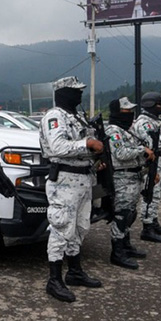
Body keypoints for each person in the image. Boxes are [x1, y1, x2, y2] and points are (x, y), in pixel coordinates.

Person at [39, 76, 104, 303]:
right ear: (63, 93)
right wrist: (86, 144)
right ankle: (54, 280)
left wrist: (95, 158)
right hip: (64, 180)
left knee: (80, 227)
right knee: (61, 228)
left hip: (84, 179)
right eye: (75, 91)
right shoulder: (55, 116)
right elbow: (57, 146)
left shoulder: (77, 117)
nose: (80, 95)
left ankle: (74, 271)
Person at [105, 97, 155, 269]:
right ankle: (117, 252)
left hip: (134, 177)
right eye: (127, 111)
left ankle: (125, 245)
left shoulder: (127, 130)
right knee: (122, 214)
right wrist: (142, 150)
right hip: (122, 179)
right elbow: (121, 153)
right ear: (118, 112)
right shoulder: (113, 131)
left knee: (130, 214)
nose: (130, 114)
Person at [133, 91, 161, 242]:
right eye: (159, 104)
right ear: (149, 105)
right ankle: (147, 227)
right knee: (150, 193)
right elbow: (152, 143)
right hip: (151, 162)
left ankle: (153, 220)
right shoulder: (143, 122)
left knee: (158, 194)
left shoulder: (158, 121)